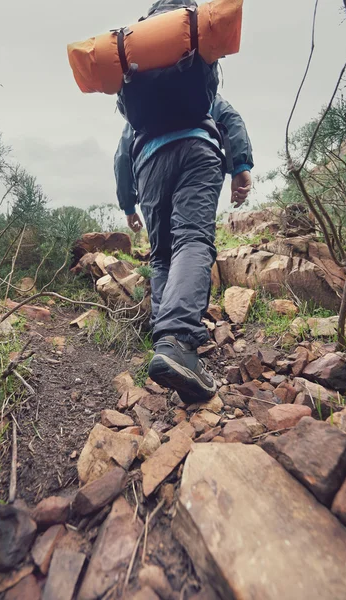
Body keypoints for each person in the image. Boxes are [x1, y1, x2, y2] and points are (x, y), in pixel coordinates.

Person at [114, 0, 253, 403]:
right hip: (197, 149)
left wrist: (128, 204)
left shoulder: (141, 76)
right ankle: (177, 344)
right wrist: (240, 166)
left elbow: (123, 152)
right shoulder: (194, 71)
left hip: (148, 164)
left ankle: (165, 341)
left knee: (161, 256)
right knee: (192, 239)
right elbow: (229, 117)